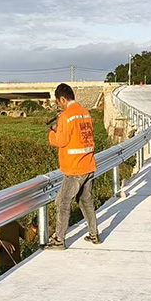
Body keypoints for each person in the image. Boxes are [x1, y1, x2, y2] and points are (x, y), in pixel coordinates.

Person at [45, 83, 100, 250]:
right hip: (88, 164)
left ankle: (59, 240)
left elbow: (61, 141)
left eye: (58, 102)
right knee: (86, 201)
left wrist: (52, 133)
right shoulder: (85, 113)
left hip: (74, 168)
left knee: (62, 202)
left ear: (62, 99)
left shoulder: (66, 116)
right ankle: (94, 234)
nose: (59, 105)